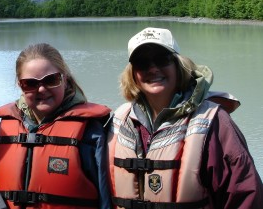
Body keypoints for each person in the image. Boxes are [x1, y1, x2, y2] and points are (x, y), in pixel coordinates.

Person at [107, 27, 263, 209]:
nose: (153, 68)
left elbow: (244, 196)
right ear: (133, 74)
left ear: (178, 65)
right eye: (142, 63)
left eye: (161, 59)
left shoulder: (214, 121)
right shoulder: (119, 120)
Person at [0, 43, 112, 209]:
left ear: (65, 80)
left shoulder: (91, 133)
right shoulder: (4, 129)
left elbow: (106, 199)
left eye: (51, 80)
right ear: (20, 86)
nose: (41, 89)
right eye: (30, 83)